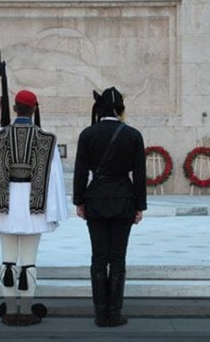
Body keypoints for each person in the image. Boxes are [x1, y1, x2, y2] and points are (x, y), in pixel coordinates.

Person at [0, 90, 68, 326]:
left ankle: (9, 310)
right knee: (28, 261)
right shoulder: (47, 138)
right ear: (34, 109)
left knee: (7, 260)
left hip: (4, 205)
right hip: (33, 207)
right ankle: (26, 311)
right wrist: (55, 210)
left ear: (15, 109)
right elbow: (55, 178)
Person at [73, 87, 146, 327]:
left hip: (96, 200)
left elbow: (81, 171)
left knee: (98, 258)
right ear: (119, 110)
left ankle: (99, 312)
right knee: (117, 258)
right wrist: (140, 205)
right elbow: (139, 174)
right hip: (124, 199)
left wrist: (79, 201)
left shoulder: (88, 134)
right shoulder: (133, 135)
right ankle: (114, 313)